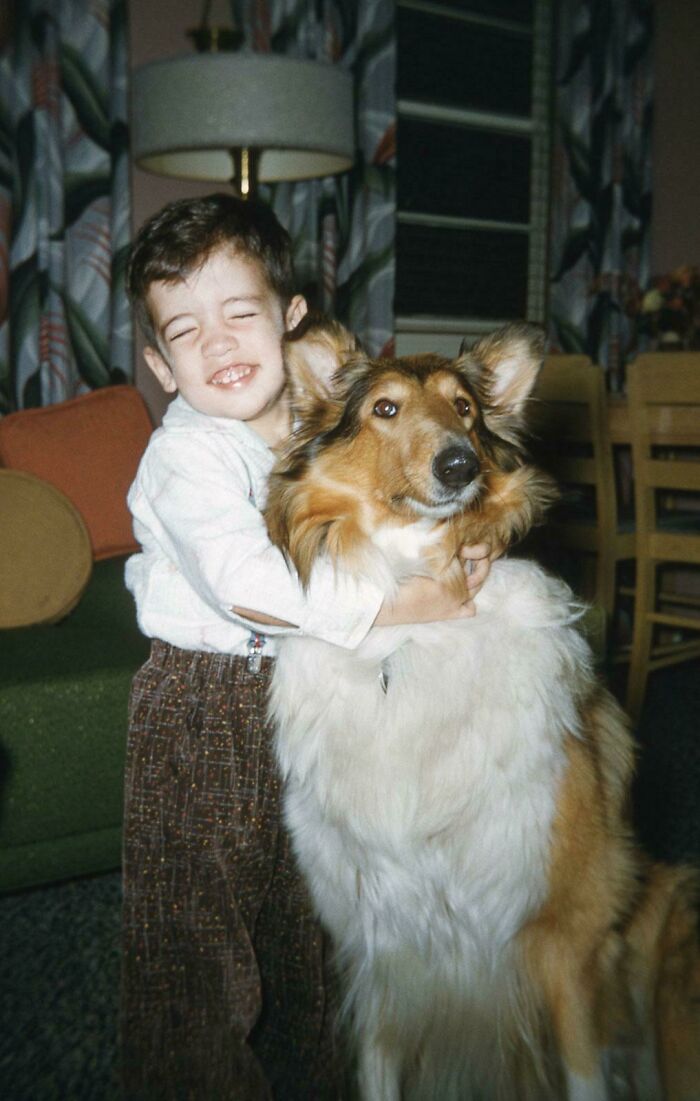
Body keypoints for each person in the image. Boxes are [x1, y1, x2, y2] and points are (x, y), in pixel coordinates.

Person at [121, 192, 492, 1100]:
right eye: (184, 331)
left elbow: (383, 510)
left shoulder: (311, 436)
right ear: (160, 365)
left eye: (239, 313)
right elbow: (246, 580)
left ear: (292, 322)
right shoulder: (188, 456)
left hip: (299, 700)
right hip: (197, 708)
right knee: (195, 940)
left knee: (304, 926)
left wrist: (456, 545)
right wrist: (402, 604)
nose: (217, 344)